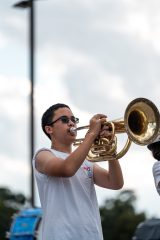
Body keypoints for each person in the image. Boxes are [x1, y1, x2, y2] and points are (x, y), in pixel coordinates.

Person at [32, 103, 124, 240]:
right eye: (64, 120)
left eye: (73, 120)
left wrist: (110, 148)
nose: (71, 123)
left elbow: (115, 183)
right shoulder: (43, 155)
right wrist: (92, 134)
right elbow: (67, 169)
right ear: (49, 129)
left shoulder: (86, 162)